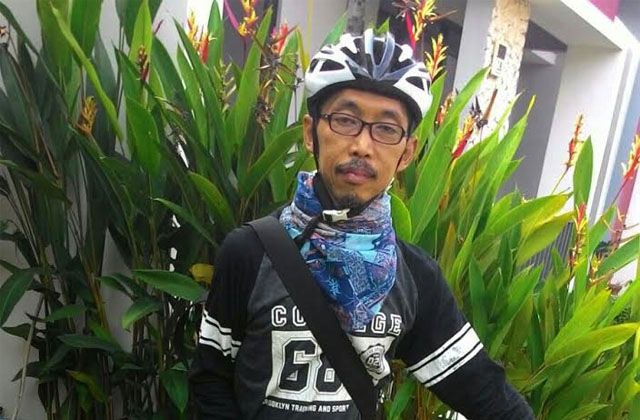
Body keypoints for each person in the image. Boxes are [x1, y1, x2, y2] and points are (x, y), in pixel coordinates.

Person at [189, 29, 534, 420]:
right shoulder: (249, 253)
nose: (362, 146)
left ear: (407, 153)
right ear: (309, 133)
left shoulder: (412, 277)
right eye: (345, 120)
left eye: (386, 129)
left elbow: (483, 390)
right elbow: (211, 380)